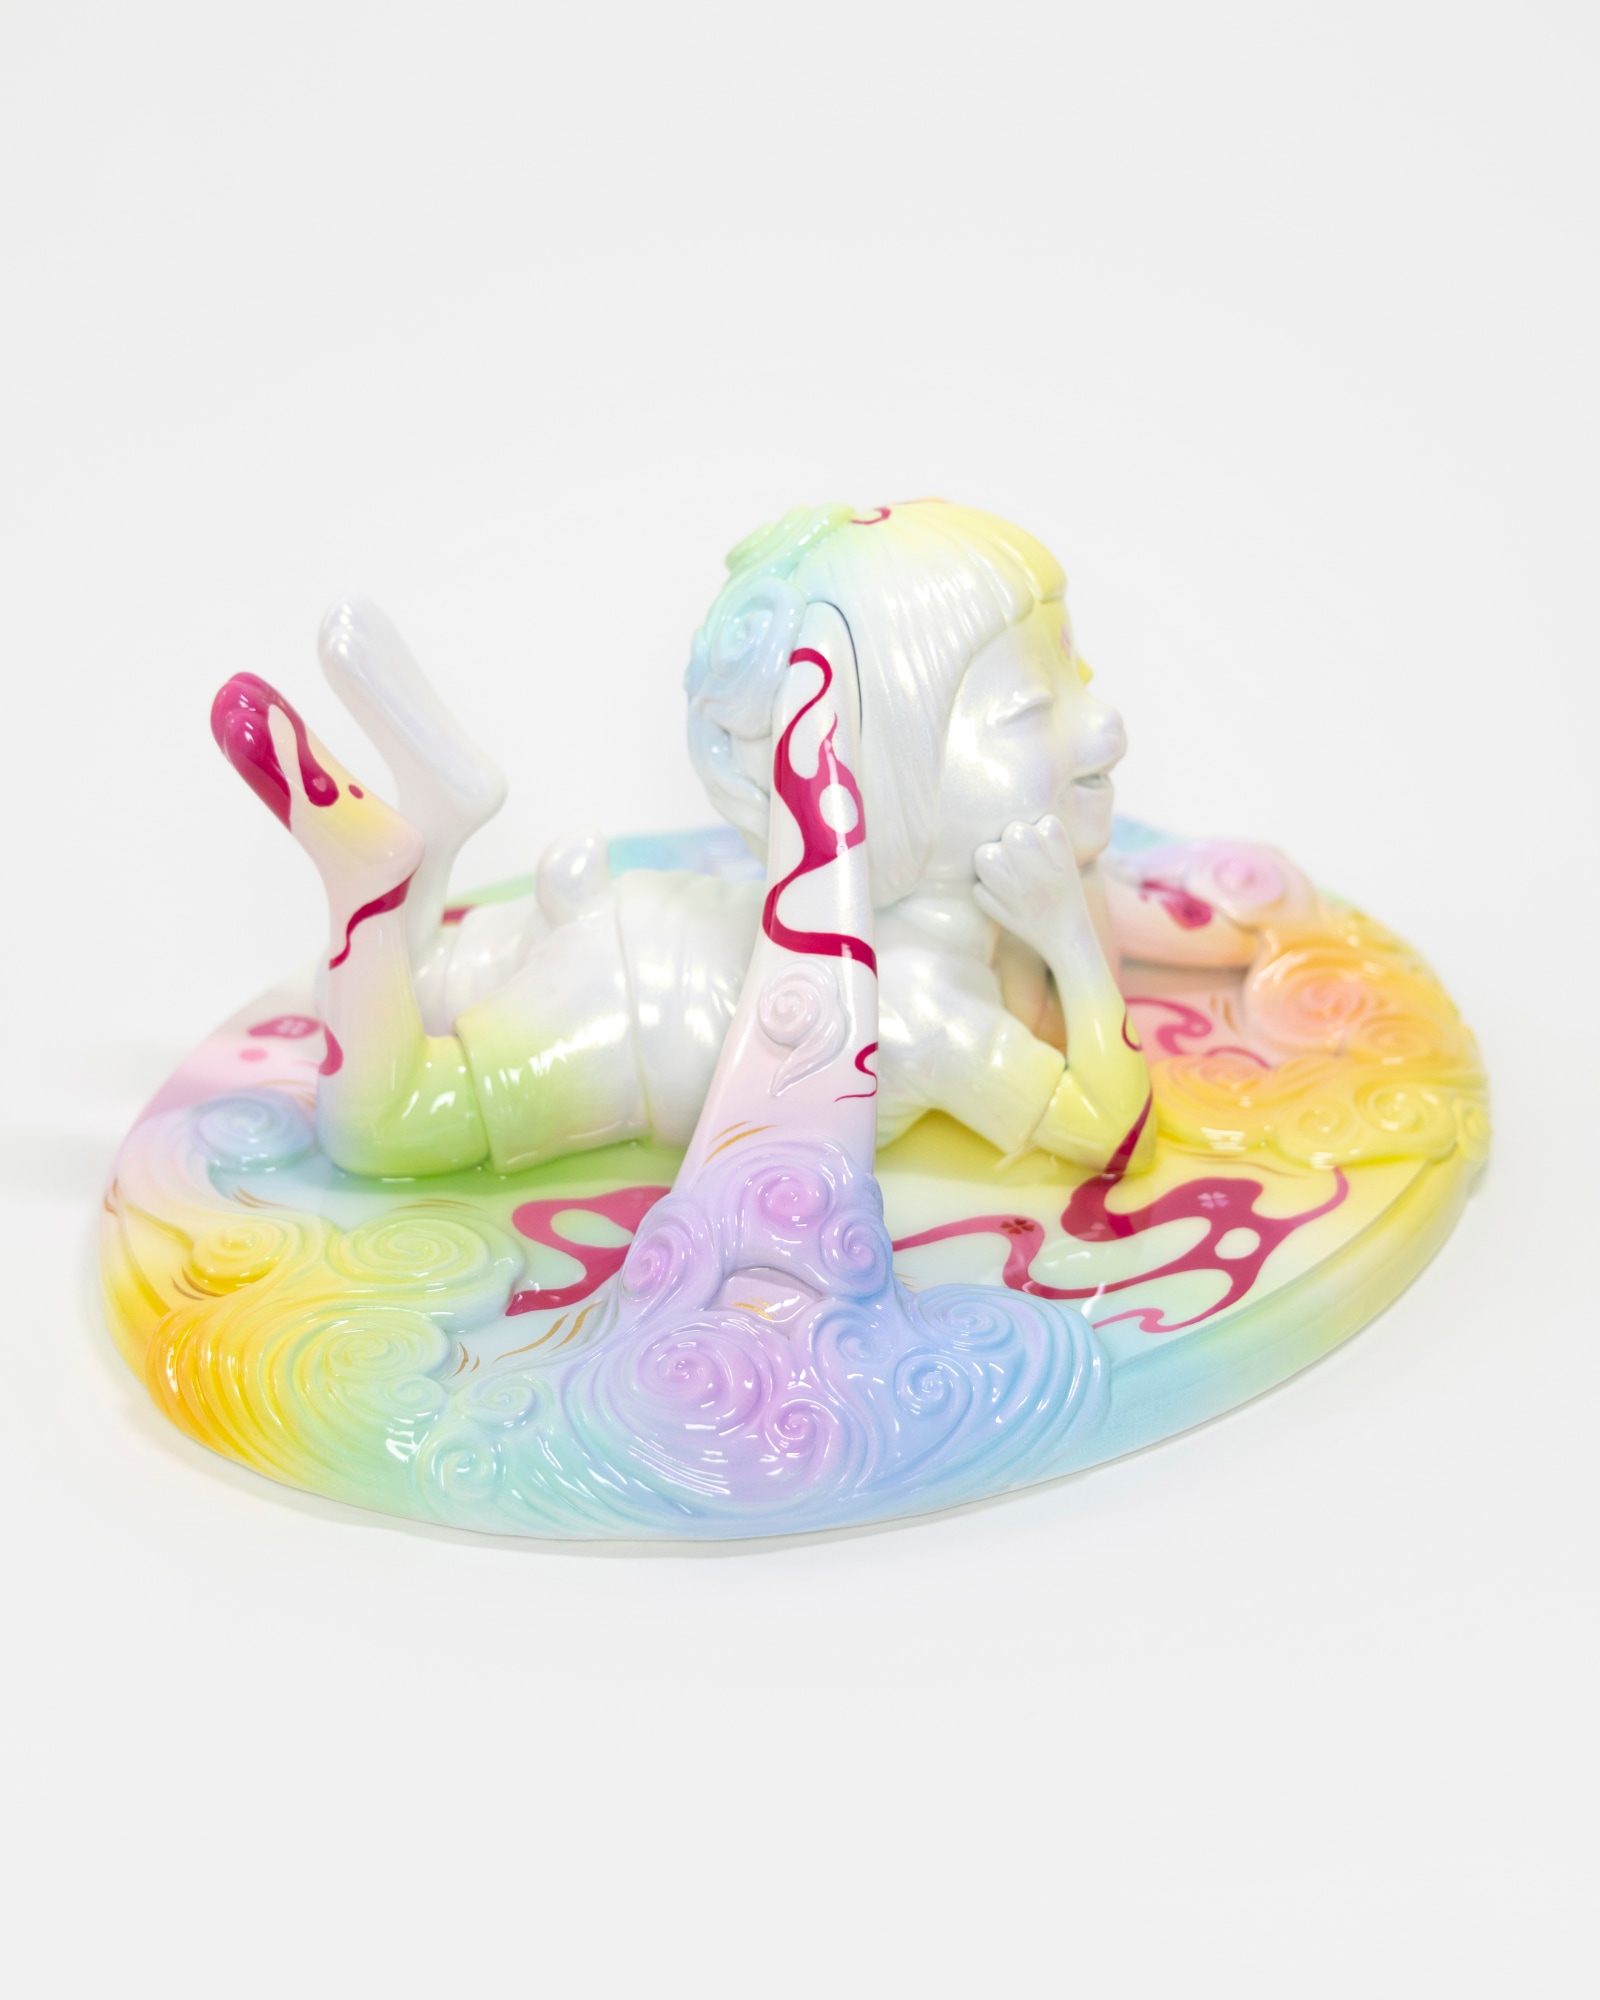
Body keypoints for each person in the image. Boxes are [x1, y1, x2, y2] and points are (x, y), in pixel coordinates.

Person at [212, 500, 1214, 1177]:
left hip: (637, 919)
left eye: (1078, 681)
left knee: (392, 992)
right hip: (624, 1026)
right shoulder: (924, 1007)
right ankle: (368, 885)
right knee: (382, 1129)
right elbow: (1114, 1133)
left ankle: (443, 806)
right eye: (1031, 711)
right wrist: (1068, 937)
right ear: (882, 778)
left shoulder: (930, 948)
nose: (1104, 727)